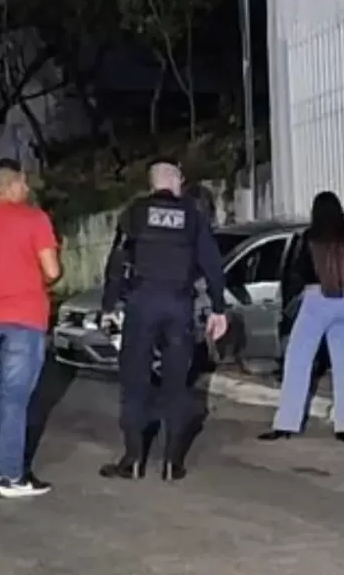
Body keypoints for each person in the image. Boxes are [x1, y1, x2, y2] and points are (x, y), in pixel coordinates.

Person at [98, 158, 228, 481]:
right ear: (176, 181)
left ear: (152, 183)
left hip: (142, 304)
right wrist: (218, 308)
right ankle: (172, 462)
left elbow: (116, 262)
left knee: (134, 382)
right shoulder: (193, 217)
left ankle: (133, 460)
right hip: (178, 305)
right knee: (176, 385)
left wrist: (109, 305)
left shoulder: (136, 212)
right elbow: (212, 264)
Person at [0, 158, 61, 499]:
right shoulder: (35, 219)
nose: (28, 188)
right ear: (13, 184)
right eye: (24, 182)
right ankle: (12, 475)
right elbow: (52, 271)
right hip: (24, 319)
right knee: (15, 399)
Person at [259, 191, 344, 443]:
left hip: (316, 298)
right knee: (343, 364)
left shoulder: (310, 237)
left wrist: (289, 304)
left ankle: (287, 423)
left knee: (298, 361)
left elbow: (299, 272)